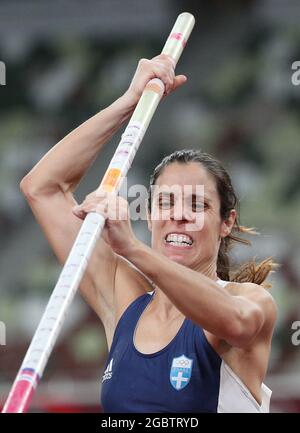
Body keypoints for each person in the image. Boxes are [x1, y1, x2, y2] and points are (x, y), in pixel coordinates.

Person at [20, 53, 277, 413]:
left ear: (226, 222)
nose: (179, 217)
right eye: (167, 202)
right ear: (152, 214)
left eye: (197, 205)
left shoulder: (250, 302)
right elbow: (43, 188)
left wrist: (134, 250)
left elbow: (235, 322)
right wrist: (129, 101)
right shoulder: (124, 300)